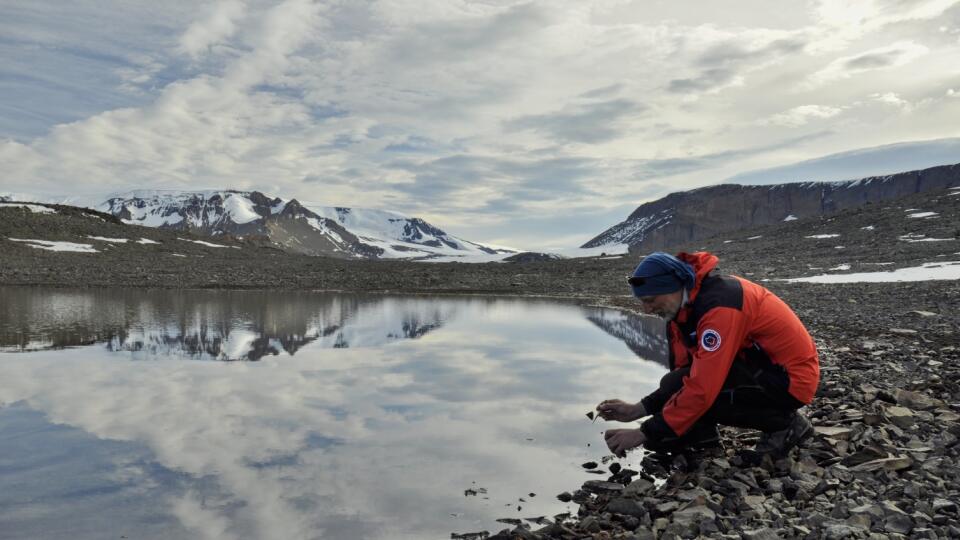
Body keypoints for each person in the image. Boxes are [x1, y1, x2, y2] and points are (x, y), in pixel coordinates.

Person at [596, 251, 819, 460]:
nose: (647, 309)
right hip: (757, 369)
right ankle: (702, 433)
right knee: (673, 382)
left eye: (651, 300)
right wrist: (638, 409)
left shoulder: (720, 307)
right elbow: (683, 376)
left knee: (706, 397)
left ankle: (786, 425)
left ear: (673, 287)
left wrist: (643, 432)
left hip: (789, 381)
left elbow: (703, 387)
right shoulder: (682, 310)